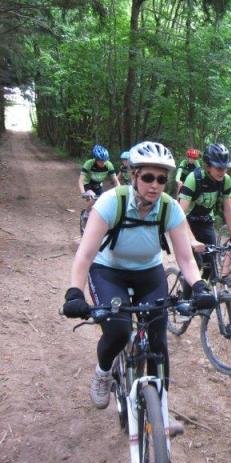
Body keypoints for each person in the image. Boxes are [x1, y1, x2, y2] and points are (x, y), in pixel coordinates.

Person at [62, 141, 212, 434]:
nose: (154, 185)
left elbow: (184, 257)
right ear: (134, 176)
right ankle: (103, 372)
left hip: (148, 272)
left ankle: (162, 410)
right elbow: (85, 254)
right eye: (147, 177)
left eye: (160, 179)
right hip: (109, 271)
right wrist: (74, 293)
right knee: (118, 330)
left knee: (158, 340)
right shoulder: (111, 202)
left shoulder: (169, 208)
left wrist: (199, 286)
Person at [178, 143, 231, 285]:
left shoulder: (225, 180)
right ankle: (186, 300)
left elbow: (228, 209)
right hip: (187, 222)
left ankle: (205, 296)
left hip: (206, 222)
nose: (222, 171)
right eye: (219, 167)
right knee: (195, 265)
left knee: (211, 265)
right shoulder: (194, 179)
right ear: (207, 166)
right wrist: (192, 240)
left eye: (225, 168)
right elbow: (180, 214)